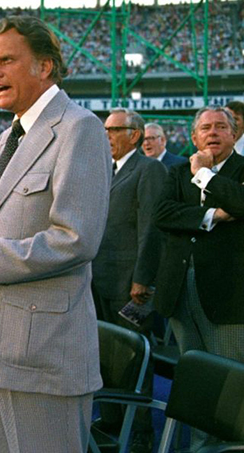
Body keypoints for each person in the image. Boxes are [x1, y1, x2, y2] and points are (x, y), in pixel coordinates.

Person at [0, 16, 111, 453]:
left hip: (42, 358)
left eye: (6, 61)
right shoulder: (15, 133)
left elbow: (75, 238)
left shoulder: (78, 128)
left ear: (45, 66)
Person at [152, 106, 244, 450]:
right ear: (194, 137)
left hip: (230, 296)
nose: (212, 132)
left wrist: (205, 176)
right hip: (181, 291)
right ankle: (201, 447)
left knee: (232, 383)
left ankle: (233, 449)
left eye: (220, 127)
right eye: (205, 128)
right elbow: (163, 213)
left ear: (234, 134)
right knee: (196, 382)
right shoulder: (174, 172)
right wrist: (213, 214)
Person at [92, 108, 166, 453]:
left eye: (113, 129)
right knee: (103, 353)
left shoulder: (149, 169)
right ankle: (110, 420)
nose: (106, 135)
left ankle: (139, 431)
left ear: (134, 135)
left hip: (129, 283)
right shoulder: (105, 170)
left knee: (134, 357)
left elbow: (150, 228)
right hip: (99, 279)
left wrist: (143, 279)